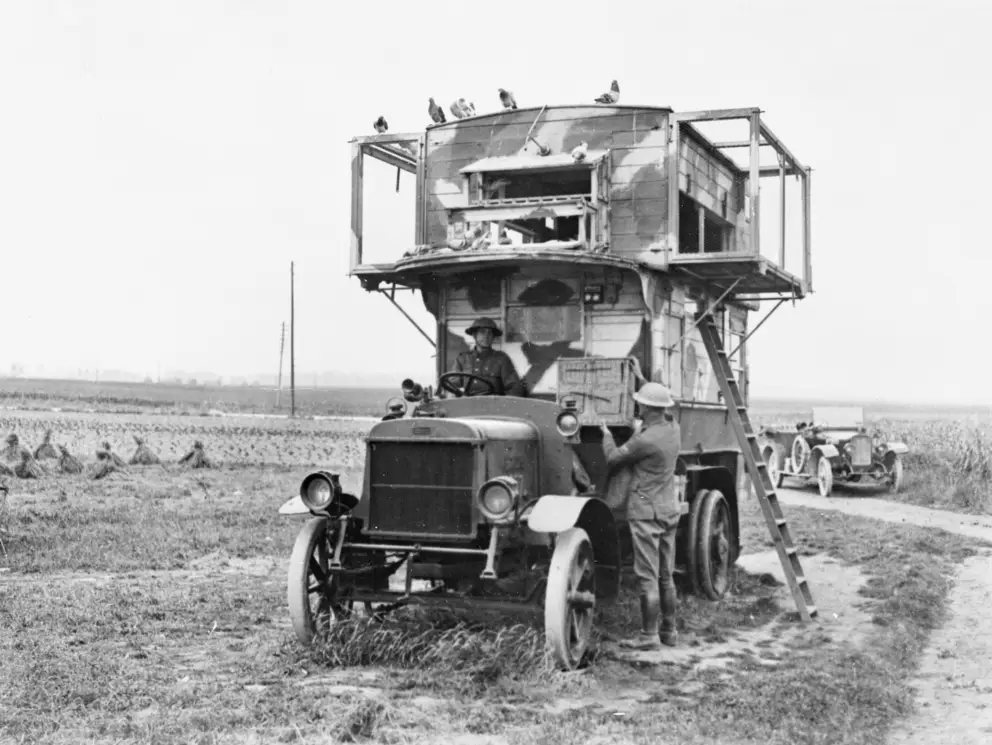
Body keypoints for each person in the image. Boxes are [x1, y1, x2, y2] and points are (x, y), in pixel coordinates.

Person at [600, 381, 682, 651]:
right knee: (665, 574)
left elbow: (613, 459)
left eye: (641, 403)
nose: (638, 406)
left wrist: (606, 433)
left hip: (646, 512)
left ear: (646, 407)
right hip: (668, 509)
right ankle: (669, 631)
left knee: (647, 575)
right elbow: (653, 426)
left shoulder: (644, 440)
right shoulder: (673, 429)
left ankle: (649, 636)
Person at [449, 317, 526, 397]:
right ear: (475, 335)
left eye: (490, 333)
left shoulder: (501, 358)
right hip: (468, 405)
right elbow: (453, 386)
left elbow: (514, 388)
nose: (486, 336)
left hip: (493, 406)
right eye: (482, 332)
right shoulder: (462, 359)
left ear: (493, 337)